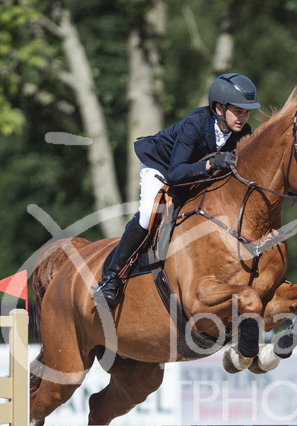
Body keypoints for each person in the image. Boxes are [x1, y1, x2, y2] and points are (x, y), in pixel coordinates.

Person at [92, 72, 261, 308]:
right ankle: (110, 278)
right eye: (238, 111)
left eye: (247, 112)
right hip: (160, 165)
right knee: (149, 214)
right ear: (219, 109)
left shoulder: (243, 132)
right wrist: (211, 164)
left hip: (193, 172)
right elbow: (174, 175)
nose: (243, 117)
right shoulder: (195, 124)